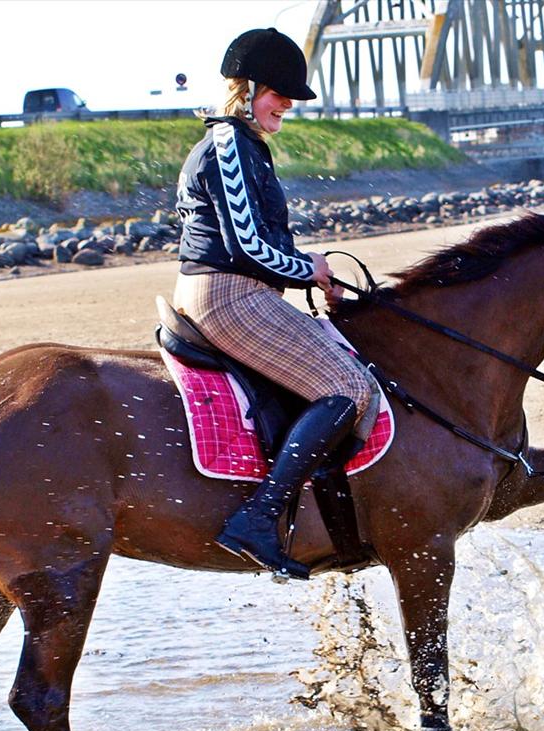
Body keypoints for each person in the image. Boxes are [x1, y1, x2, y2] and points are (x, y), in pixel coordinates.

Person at [174, 27, 378, 580]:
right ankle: (260, 518)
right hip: (227, 294)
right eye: (278, 93)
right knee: (350, 388)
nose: (287, 103)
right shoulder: (228, 144)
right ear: (247, 88)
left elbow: (263, 240)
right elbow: (245, 244)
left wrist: (314, 272)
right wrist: (306, 269)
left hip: (244, 289)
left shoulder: (245, 145)